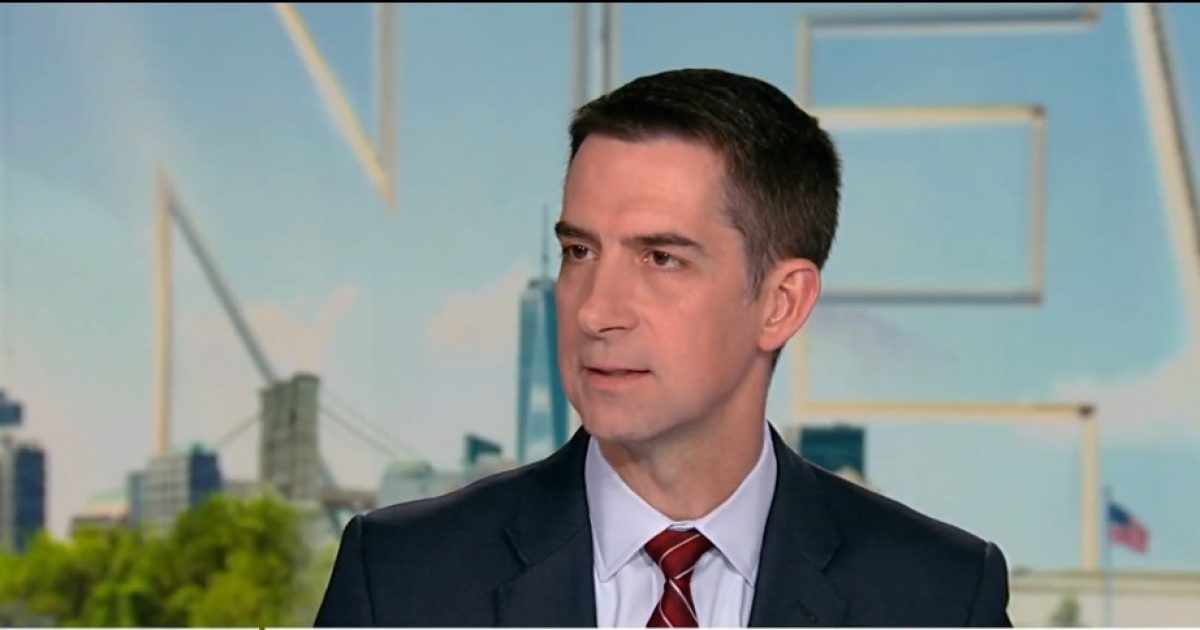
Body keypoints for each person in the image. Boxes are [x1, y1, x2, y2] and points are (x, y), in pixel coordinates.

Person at [314, 67, 1012, 628]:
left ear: (781, 303)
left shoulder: (941, 597)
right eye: (579, 251)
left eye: (660, 259)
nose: (595, 310)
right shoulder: (399, 578)